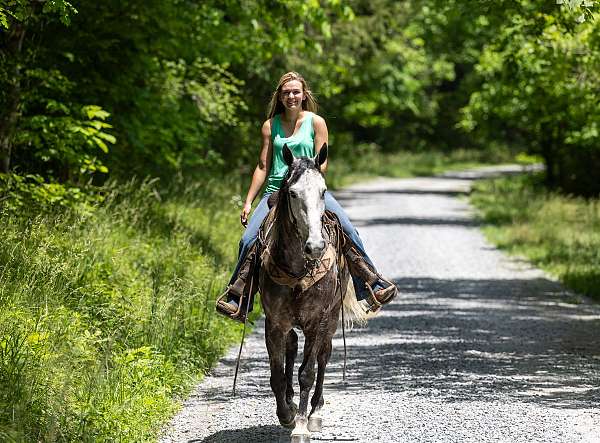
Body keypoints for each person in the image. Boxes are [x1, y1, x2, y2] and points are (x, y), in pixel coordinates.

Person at [216, 71, 397, 323]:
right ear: (280, 96)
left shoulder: (316, 122)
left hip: (309, 188)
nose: (291, 96)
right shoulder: (271, 125)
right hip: (276, 192)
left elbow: (322, 162)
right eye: (286, 92)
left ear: (304, 95)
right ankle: (238, 298)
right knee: (248, 240)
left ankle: (371, 284)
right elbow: (262, 166)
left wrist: (307, 181)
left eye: (295, 92)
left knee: (347, 229)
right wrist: (248, 200)